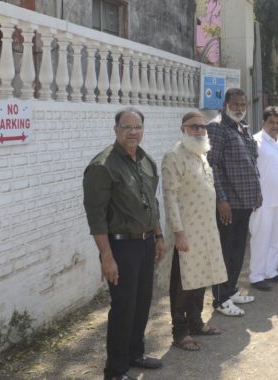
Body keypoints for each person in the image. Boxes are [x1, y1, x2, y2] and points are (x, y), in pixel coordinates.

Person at [83, 108, 165, 379]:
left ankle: (134, 353)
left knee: (142, 303)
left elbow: (151, 203)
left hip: (145, 244)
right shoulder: (102, 166)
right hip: (121, 248)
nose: (133, 132)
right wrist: (106, 256)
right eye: (126, 126)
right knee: (123, 307)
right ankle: (115, 370)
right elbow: (96, 217)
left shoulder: (145, 160)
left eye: (137, 126)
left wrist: (159, 236)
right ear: (116, 129)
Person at [163, 111, 228, 352]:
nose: (199, 131)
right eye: (194, 127)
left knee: (200, 279)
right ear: (183, 129)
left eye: (202, 127)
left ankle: (196, 323)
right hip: (186, 233)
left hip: (206, 231)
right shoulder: (174, 156)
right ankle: (179, 333)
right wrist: (178, 233)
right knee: (182, 283)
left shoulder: (202, 155)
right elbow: (169, 197)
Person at [207, 89, 261, 316]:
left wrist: (257, 196)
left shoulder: (242, 127)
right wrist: (222, 200)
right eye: (235, 104)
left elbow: (251, 163)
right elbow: (213, 165)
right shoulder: (217, 127)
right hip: (229, 203)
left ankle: (230, 290)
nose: (239, 108)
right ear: (226, 104)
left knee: (238, 250)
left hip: (245, 201)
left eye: (243, 104)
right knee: (226, 250)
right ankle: (220, 298)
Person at [249, 106, 278, 291]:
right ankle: (256, 276)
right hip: (262, 201)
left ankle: (271, 272)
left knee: (276, 238)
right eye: (271, 122)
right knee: (261, 238)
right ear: (263, 123)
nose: (275, 126)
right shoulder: (255, 141)